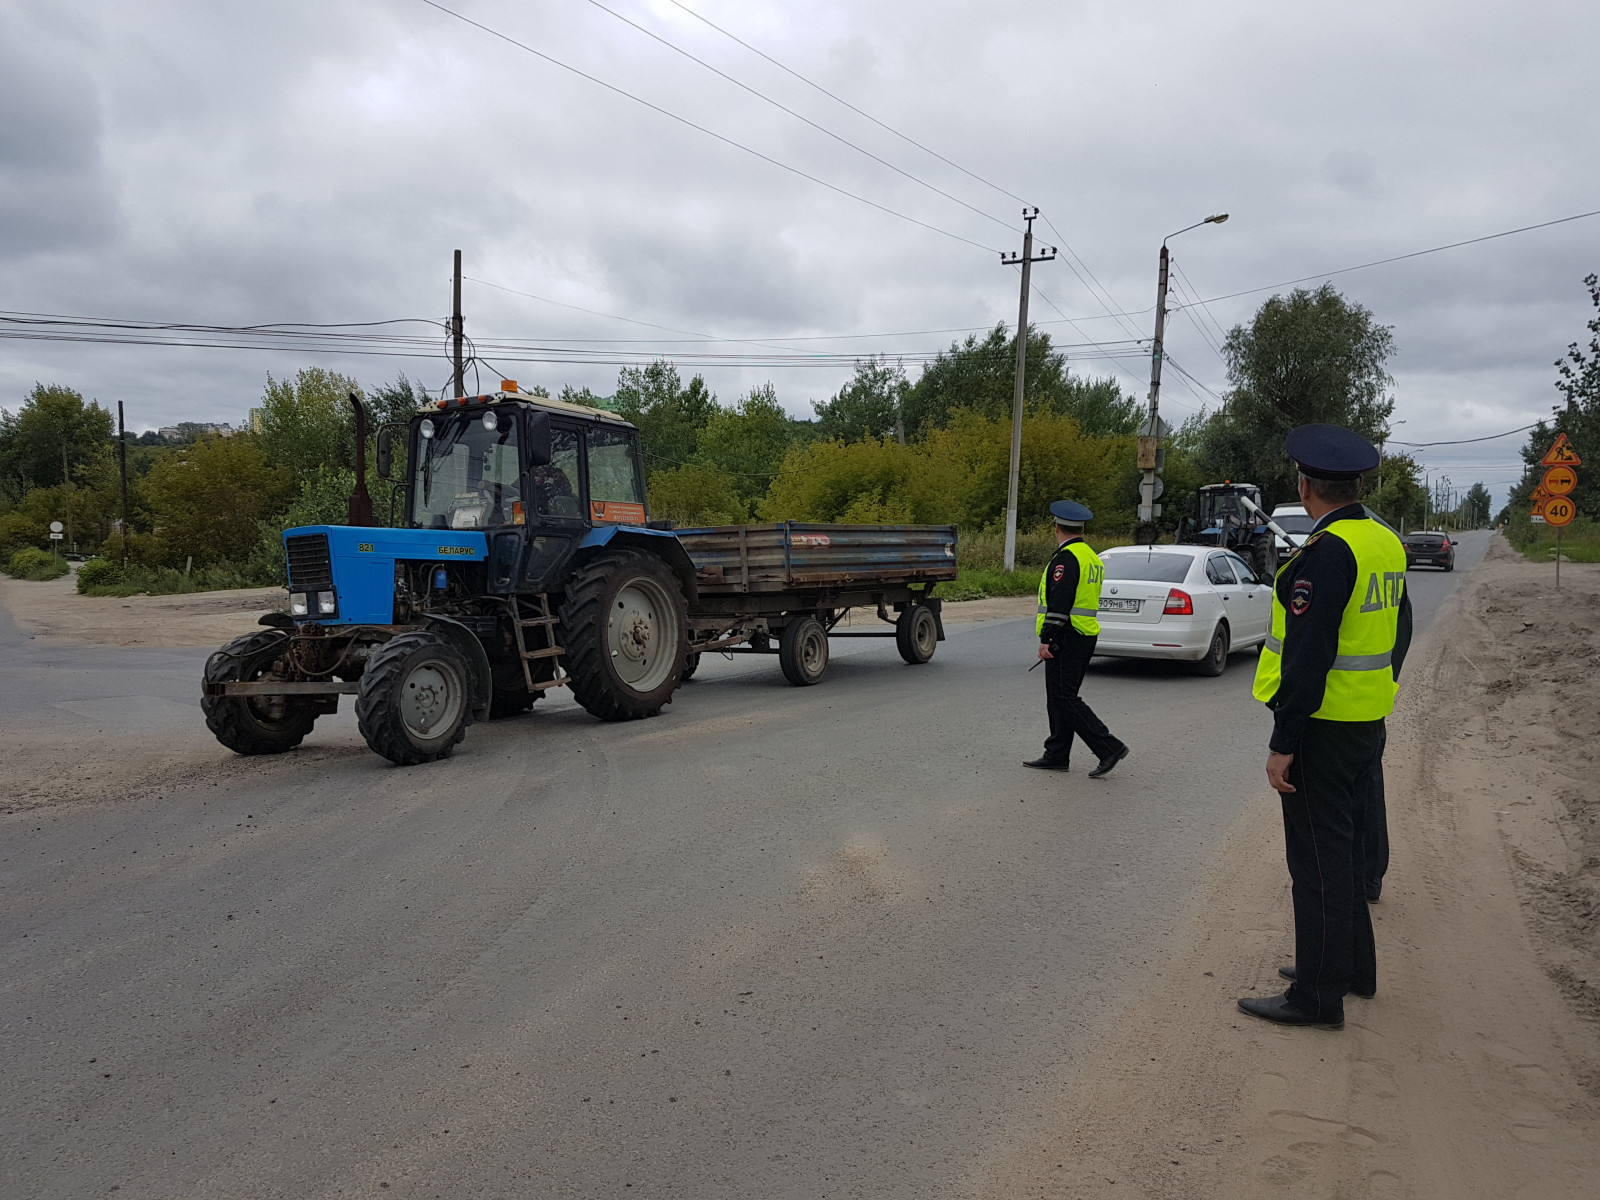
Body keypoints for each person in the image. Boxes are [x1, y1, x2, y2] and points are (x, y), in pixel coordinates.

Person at [1238, 425, 1413, 1031]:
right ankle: (1351, 970)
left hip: (1322, 726)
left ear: (1305, 485)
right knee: (1348, 850)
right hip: (1367, 719)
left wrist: (1282, 744)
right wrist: (1379, 690)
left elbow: (1306, 660)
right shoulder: (1385, 543)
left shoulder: (1327, 551)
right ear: (1357, 484)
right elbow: (1401, 632)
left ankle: (1316, 995)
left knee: (1317, 863)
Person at [1024, 501, 1129, 779]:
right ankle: (1056, 753)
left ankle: (1109, 747)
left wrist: (1047, 639)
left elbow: (1059, 603)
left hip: (1067, 635)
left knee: (1064, 697)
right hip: (1084, 633)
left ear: (1056, 527)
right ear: (1080, 528)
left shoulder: (1066, 558)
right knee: (1059, 697)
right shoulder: (1091, 557)